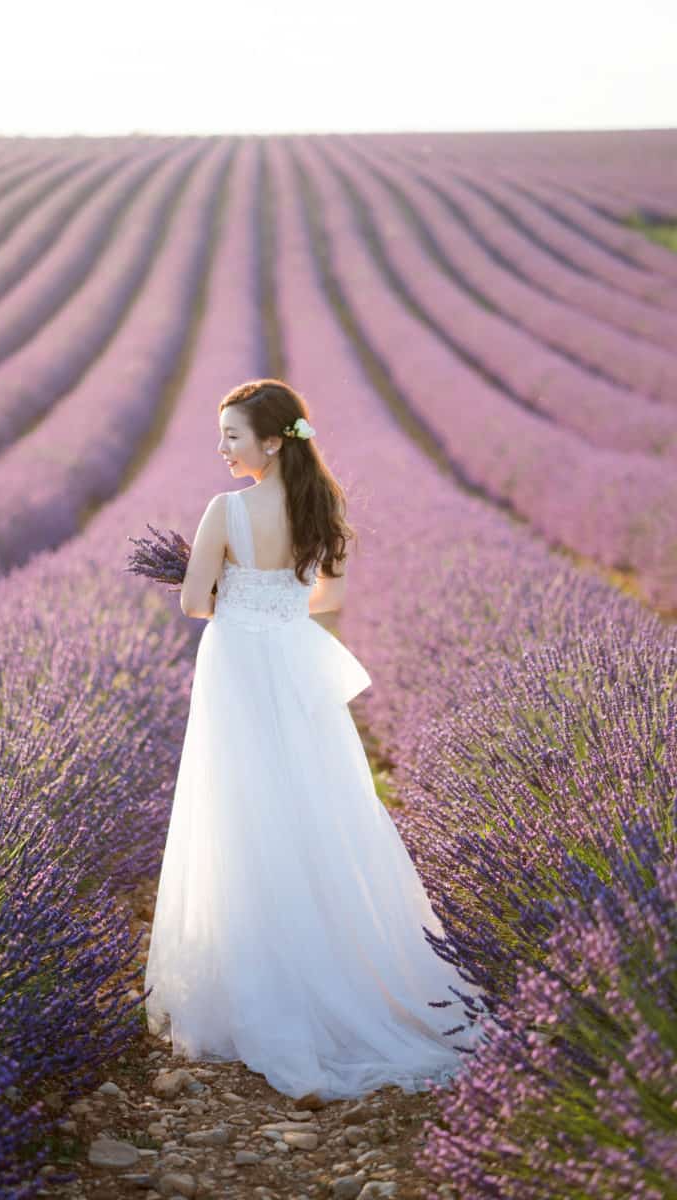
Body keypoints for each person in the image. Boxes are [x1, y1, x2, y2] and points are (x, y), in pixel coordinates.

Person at [143, 379, 487, 1101]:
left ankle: (257, 978)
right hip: (294, 657)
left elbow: (194, 600)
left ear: (271, 442)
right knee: (317, 802)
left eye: (232, 435)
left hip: (237, 660)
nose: (222, 447)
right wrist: (275, 592)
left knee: (240, 808)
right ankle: (347, 968)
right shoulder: (318, 504)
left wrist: (227, 580)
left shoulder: (225, 509)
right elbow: (326, 597)